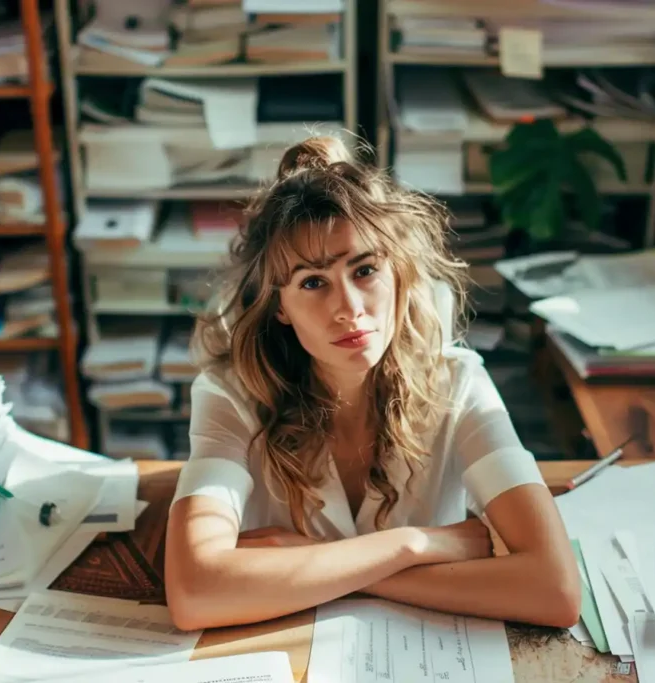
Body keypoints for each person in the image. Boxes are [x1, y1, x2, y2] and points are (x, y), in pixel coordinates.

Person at [164, 136, 580, 632]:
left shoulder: (461, 382)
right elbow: (193, 593)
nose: (350, 308)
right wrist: (417, 546)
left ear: (399, 273)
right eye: (313, 282)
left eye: (364, 270)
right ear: (279, 306)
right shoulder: (229, 395)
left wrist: (324, 566)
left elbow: (555, 589)